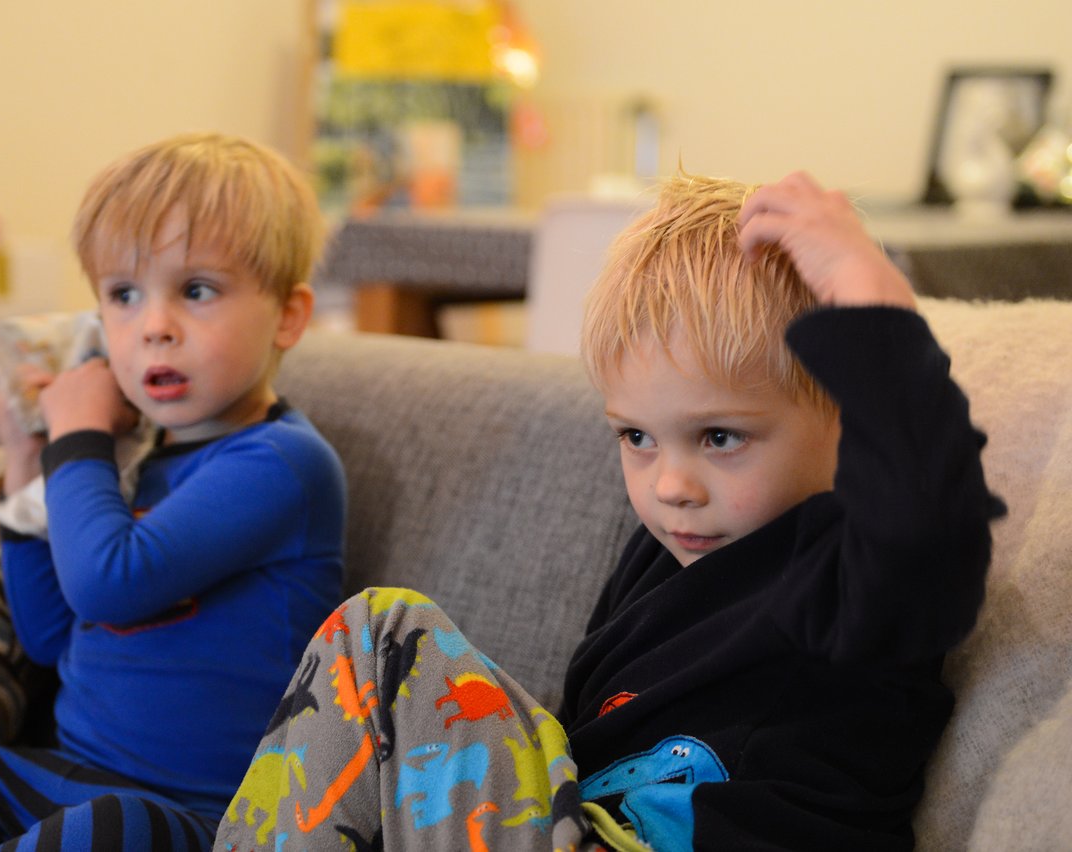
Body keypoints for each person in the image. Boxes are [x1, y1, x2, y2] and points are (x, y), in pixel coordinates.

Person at [212, 172, 1003, 851]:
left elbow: (930, 524)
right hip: (582, 820)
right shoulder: (667, 553)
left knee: (383, 635)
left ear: (848, 416)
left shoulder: (850, 574)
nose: (670, 485)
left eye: (720, 436)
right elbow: (577, 745)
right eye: (637, 437)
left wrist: (873, 306)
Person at [0, 132, 347, 850]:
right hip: (66, 779)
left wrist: (77, 438)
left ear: (290, 316)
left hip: (198, 820)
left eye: (198, 290)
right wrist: (28, 468)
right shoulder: (135, 461)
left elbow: (108, 585)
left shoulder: (282, 463)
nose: (153, 327)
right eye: (123, 295)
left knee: (119, 828)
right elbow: (52, 637)